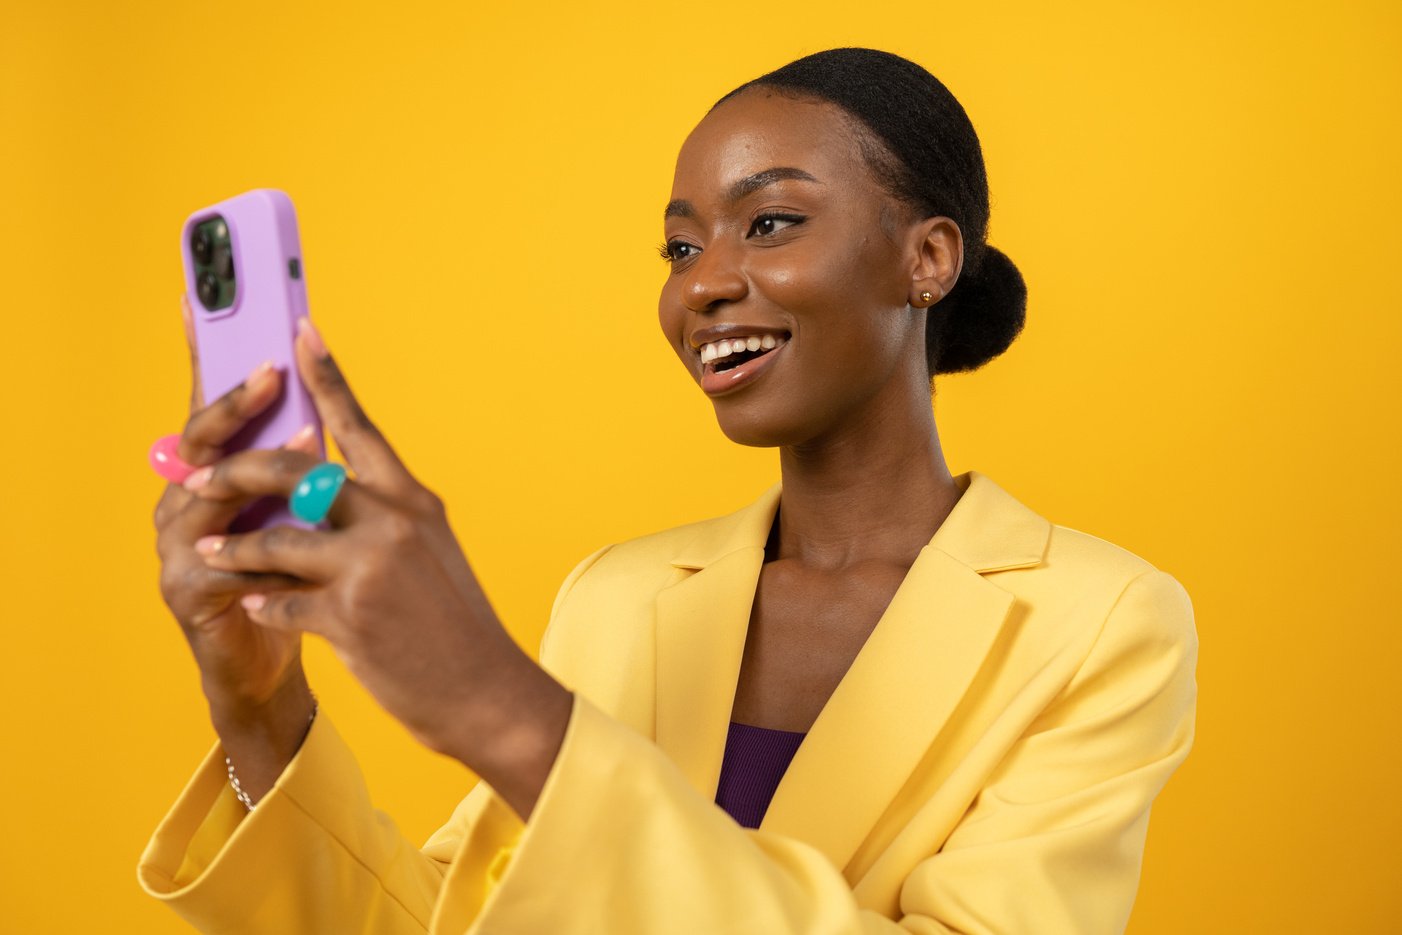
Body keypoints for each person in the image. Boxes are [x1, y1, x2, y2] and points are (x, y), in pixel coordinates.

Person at [141, 48, 1198, 934]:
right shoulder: (620, 592)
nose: (699, 282)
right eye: (681, 245)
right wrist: (258, 700)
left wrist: (506, 714)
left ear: (926, 258)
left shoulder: (1097, 621)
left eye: (769, 222)